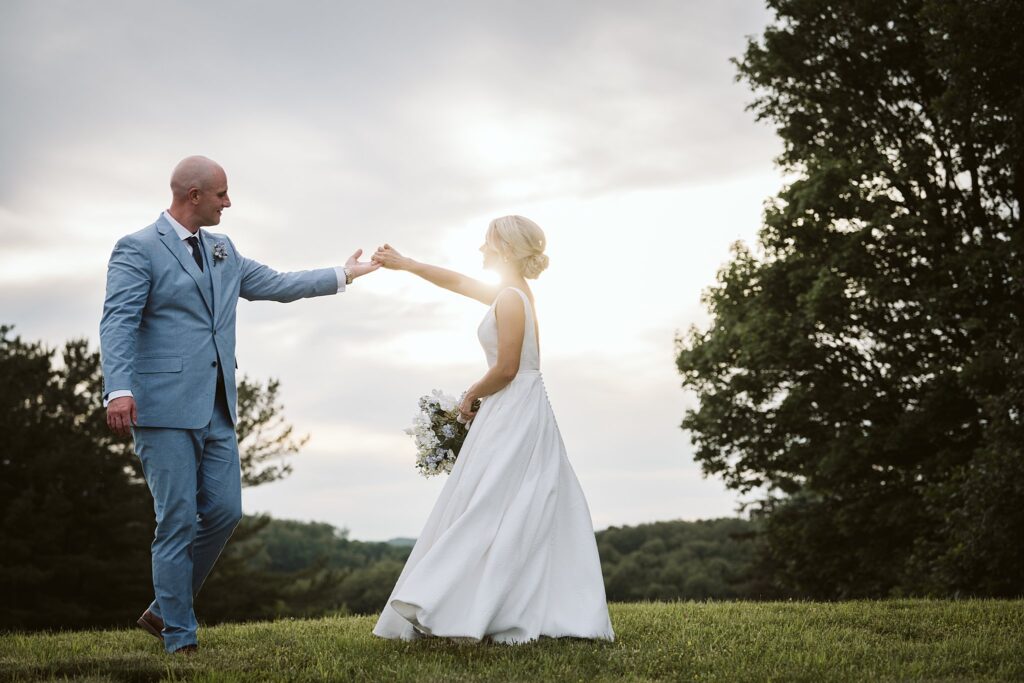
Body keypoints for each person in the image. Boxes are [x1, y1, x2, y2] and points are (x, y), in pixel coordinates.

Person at [99, 155, 379, 654]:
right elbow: (117, 322)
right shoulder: (137, 249)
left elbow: (276, 284)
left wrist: (345, 273)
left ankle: (164, 608)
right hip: (161, 409)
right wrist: (118, 388)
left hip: (218, 408)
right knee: (178, 518)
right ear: (194, 197)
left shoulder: (224, 249)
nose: (229, 203)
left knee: (226, 512)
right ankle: (180, 637)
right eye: (222, 195)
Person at [370, 215, 614, 643]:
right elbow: (459, 283)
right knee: (509, 502)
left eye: (486, 242)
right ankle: (487, 602)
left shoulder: (512, 298)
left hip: (515, 407)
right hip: (517, 408)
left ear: (503, 248)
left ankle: (459, 603)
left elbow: (507, 368)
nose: (480, 250)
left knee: (489, 504)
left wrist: (469, 396)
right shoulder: (511, 293)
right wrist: (406, 263)